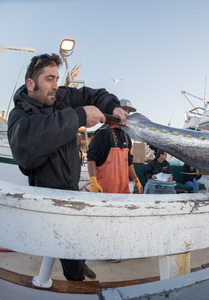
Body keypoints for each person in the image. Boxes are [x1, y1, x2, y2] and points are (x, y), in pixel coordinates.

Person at [7, 53, 127, 281]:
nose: (56, 85)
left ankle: (79, 263)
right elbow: (26, 150)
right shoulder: (19, 115)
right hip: (48, 197)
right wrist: (79, 116)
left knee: (79, 237)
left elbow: (94, 94)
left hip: (72, 187)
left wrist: (114, 106)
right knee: (65, 242)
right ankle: (77, 280)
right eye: (49, 79)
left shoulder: (60, 97)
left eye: (57, 78)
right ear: (30, 84)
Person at [87, 99, 143, 195]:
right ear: (115, 111)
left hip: (123, 192)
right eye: (124, 110)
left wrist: (136, 180)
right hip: (104, 192)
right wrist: (93, 181)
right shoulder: (103, 132)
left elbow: (128, 162)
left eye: (128, 112)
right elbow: (91, 158)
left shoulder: (127, 136)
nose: (127, 114)